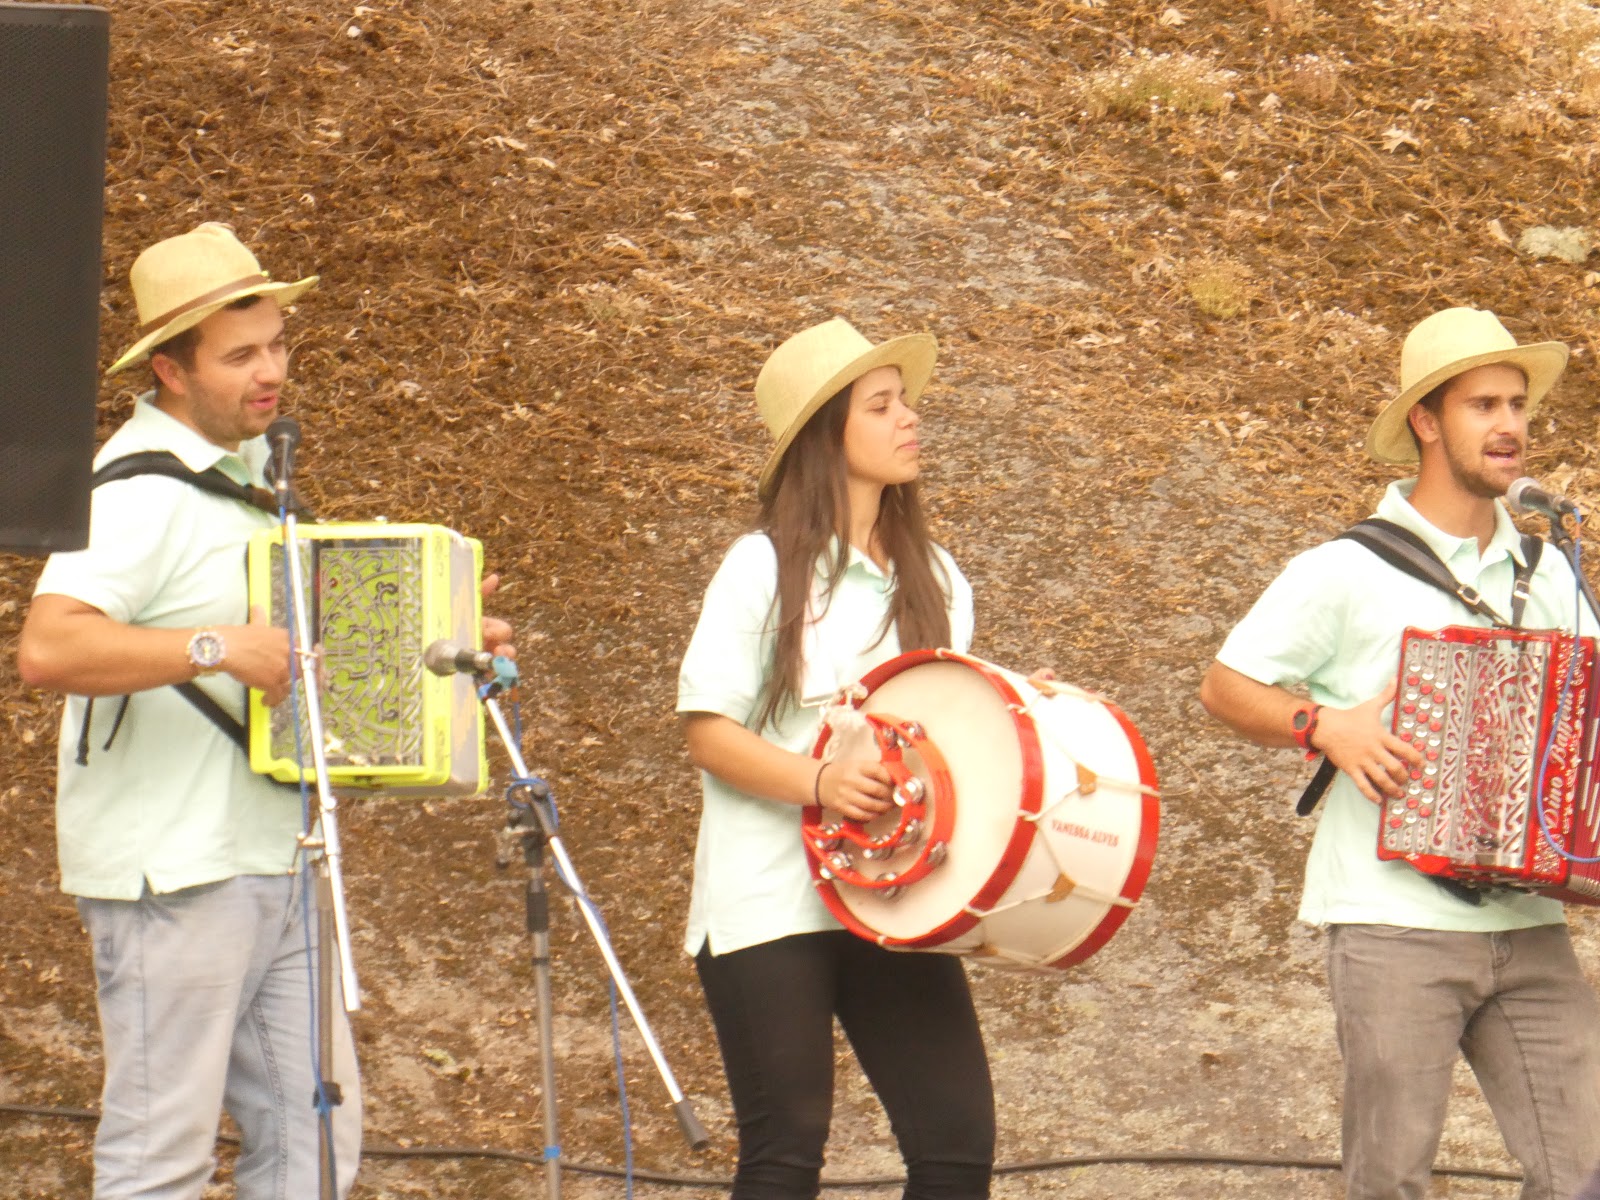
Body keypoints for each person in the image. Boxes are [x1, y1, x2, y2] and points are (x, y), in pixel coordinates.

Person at [16, 222, 512, 1199]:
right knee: (161, 1154)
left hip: (272, 855)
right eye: (240, 355)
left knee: (313, 1135)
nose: (272, 371)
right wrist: (215, 647)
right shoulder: (135, 491)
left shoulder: (244, 482)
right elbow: (49, 647)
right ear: (170, 370)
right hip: (172, 868)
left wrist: (445, 641)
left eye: (278, 345)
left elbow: (290, 659)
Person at [1198, 306, 1600, 1200]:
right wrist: (1324, 725)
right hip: (1391, 923)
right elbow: (1225, 685)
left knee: (1585, 1170)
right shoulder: (1346, 569)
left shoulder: (1550, 571)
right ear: (1426, 419)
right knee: (1390, 1182)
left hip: (1529, 922)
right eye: (1483, 405)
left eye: (1518, 404)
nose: (1510, 424)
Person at [677, 318, 995, 1199]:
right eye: (881, 406)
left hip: (892, 894)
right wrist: (821, 783)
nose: (909, 419)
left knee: (957, 1143)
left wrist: (1022, 719)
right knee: (786, 1151)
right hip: (769, 900)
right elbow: (708, 733)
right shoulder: (759, 567)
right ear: (826, 434)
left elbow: (943, 740)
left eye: (906, 402)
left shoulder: (940, 578)